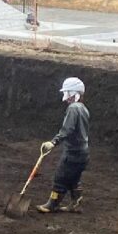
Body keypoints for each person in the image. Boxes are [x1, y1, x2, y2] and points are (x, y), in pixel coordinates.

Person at [37, 76, 89, 213]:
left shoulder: (73, 108)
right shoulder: (84, 109)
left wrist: (53, 142)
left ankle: (52, 204)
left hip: (72, 154)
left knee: (60, 178)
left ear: (73, 94)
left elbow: (67, 129)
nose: (66, 98)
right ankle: (76, 202)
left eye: (68, 94)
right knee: (73, 178)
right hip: (83, 153)